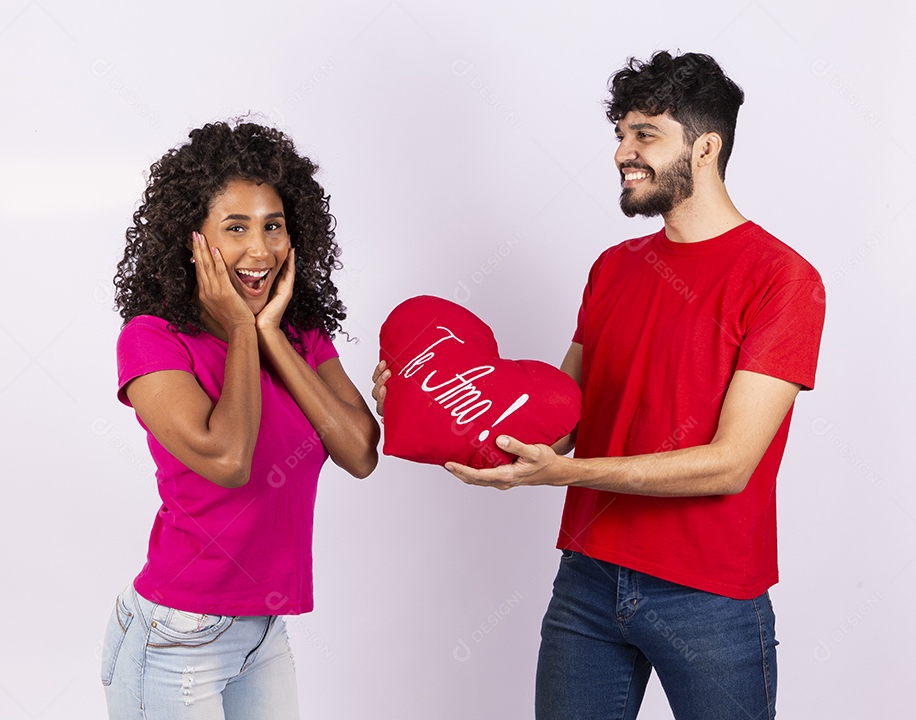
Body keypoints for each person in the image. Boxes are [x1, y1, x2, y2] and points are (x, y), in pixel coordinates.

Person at [373, 51, 824, 719]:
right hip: (588, 580)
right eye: (620, 133)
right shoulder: (614, 268)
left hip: (710, 595)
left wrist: (566, 475)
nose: (622, 152)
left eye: (645, 134)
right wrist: (433, 394)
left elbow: (730, 465)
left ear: (705, 147)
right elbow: (553, 420)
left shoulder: (782, 279)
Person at [102, 120, 380, 720]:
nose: (261, 249)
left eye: (273, 226)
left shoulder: (299, 335)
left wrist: (270, 334)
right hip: (177, 634)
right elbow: (228, 460)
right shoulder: (153, 340)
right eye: (236, 228)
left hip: (262, 632)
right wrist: (238, 331)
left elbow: (360, 452)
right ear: (192, 239)